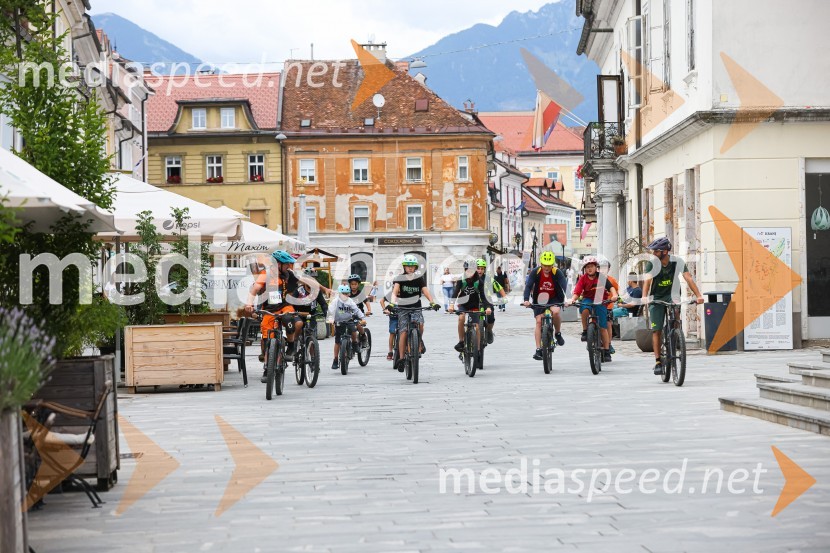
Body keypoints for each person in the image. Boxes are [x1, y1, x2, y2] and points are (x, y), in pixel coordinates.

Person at [641, 237, 704, 375]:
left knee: (675, 315)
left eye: (656, 251)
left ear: (664, 251)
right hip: (656, 298)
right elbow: (647, 281)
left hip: (673, 295)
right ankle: (658, 362)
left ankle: (676, 334)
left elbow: (688, 278)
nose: (653, 253)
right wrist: (645, 297)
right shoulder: (652, 263)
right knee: (656, 330)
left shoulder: (677, 262)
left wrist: (698, 295)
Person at [245, 250, 305, 382]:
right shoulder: (265, 274)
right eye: (286, 264)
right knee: (267, 340)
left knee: (289, 320)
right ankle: (267, 369)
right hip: (269, 309)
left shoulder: (289, 274)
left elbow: (304, 281)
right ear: (278, 264)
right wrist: (249, 303)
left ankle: (291, 346)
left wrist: (322, 289)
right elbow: (255, 289)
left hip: (285, 306)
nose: (288, 266)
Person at [388, 254, 440, 372]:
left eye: (412, 266)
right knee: (403, 332)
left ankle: (419, 340)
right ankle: (401, 358)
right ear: (404, 267)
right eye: (408, 266)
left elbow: (425, 291)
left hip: (416, 307)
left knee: (420, 324)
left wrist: (432, 302)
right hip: (403, 308)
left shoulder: (419, 278)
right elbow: (395, 292)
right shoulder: (399, 278)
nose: (410, 268)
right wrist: (392, 303)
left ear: (415, 267)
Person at [567, 256, 618, 363]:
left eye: (591, 266)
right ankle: (585, 331)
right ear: (585, 269)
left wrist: (614, 295)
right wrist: (572, 299)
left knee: (603, 327)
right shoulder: (583, 278)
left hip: (600, 299)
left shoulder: (601, 277)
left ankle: (607, 350)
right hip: (588, 299)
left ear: (596, 267)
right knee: (584, 308)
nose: (589, 269)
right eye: (587, 267)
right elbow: (577, 291)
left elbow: (611, 287)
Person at [449, 258, 505, 352]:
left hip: (474, 305)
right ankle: (461, 342)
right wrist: (451, 305)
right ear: (465, 270)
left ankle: (478, 349)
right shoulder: (461, 279)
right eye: (468, 270)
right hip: (463, 304)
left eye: (472, 270)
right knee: (461, 318)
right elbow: (455, 293)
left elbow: (484, 296)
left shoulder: (479, 281)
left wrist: (488, 307)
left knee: (477, 326)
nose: (470, 272)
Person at [523, 251, 568, 361]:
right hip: (540, 299)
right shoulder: (536, 272)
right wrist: (526, 300)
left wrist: (568, 299)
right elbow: (528, 286)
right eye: (544, 265)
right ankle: (538, 349)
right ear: (541, 264)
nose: (547, 268)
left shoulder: (557, 272)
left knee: (556, 312)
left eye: (549, 265)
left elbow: (564, 286)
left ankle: (557, 333)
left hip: (554, 298)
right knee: (539, 321)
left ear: (552, 264)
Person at [326, 284, 366, 370]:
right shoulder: (335, 301)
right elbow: (330, 310)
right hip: (339, 322)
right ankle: (335, 360)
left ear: (349, 294)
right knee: (337, 341)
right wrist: (330, 319)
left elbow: (356, 310)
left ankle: (354, 343)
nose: (345, 295)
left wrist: (362, 318)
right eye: (343, 293)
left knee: (353, 330)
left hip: (349, 320)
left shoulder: (350, 301)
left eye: (346, 293)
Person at [598, 259, 621, 355]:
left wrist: (615, 297)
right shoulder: (595, 279)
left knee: (608, 324)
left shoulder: (611, 280)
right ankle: (591, 338)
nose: (603, 270)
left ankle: (609, 343)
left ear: (608, 269)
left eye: (605, 268)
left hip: (608, 305)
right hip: (597, 305)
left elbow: (617, 290)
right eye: (601, 268)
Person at [347, 274, 372, 342]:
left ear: (358, 285)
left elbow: (366, 302)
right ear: (350, 285)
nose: (353, 286)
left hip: (359, 314)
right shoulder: (348, 294)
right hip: (349, 314)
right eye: (352, 284)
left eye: (355, 284)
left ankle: (363, 336)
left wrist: (369, 310)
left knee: (358, 325)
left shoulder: (360, 294)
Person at [379, 291, 399, 361]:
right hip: (394, 316)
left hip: (403, 315)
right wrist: (385, 310)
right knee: (392, 332)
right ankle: (390, 351)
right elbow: (381, 301)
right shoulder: (391, 294)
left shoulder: (405, 292)